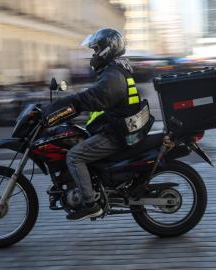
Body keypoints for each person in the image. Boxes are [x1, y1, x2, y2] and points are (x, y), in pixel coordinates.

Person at [43, 28, 153, 221]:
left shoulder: (114, 75)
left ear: (106, 50)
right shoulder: (115, 71)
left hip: (118, 134)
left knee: (75, 156)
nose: (93, 55)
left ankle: (91, 204)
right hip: (120, 127)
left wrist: (61, 106)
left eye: (96, 50)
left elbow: (92, 98)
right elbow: (96, 96)